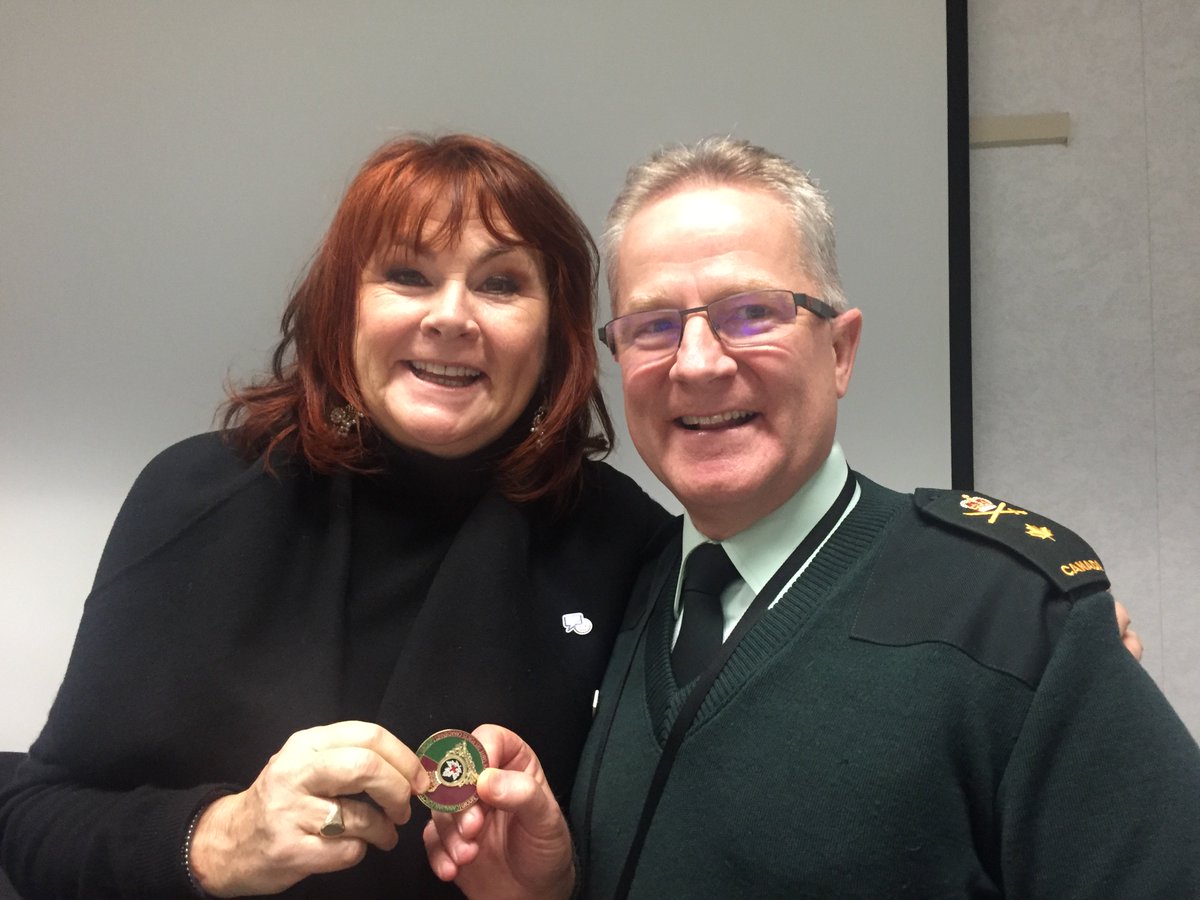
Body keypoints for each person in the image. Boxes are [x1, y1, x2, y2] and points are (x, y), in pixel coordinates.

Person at [422, 137, 1200, 898]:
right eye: (653, 325)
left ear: (840, 351)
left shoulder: (1008, 614)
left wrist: (1069, 643)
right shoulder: (621, 598)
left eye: (752, 312)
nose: (697, 362)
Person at [0, 135, 673, 897]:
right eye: (408, 275)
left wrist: (556, 892)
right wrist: (220, 839)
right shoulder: (197, 494)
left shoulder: (629, 545)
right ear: (342, 305)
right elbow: (34, 818)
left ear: (555, 334)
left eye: (500, 285)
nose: (452, 317)